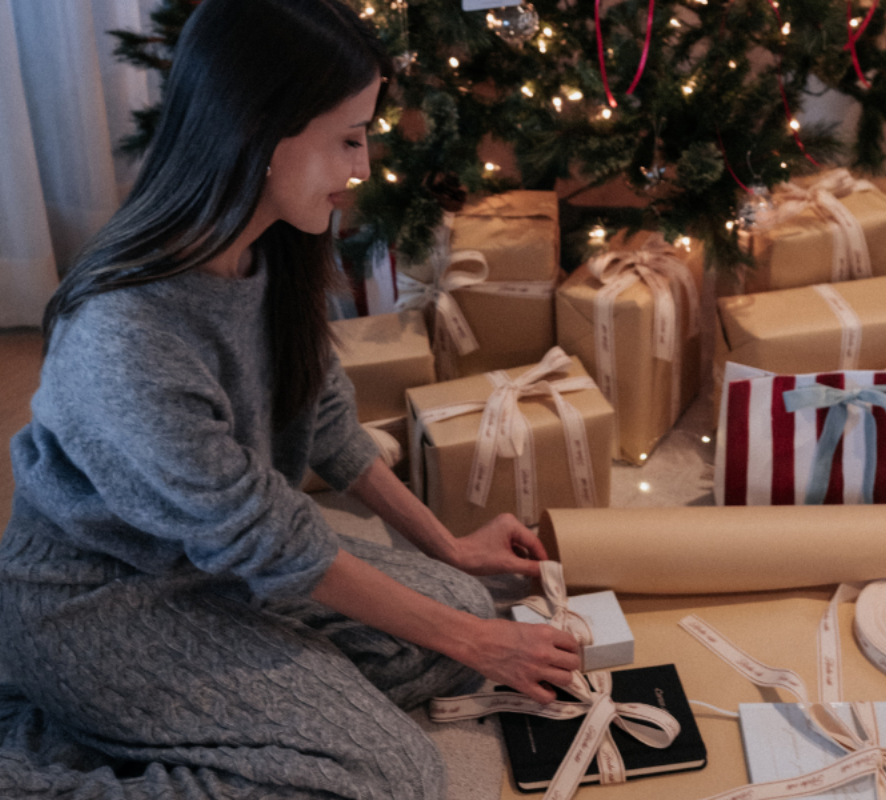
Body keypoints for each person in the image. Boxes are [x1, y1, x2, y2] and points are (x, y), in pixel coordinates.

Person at [0, 0, 580, 797]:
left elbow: (328, 419)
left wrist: (446, 547)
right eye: (349, 137)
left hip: (212, 569)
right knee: (391, 775)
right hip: (98, 603)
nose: (365, 167)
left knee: (455, 613)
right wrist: (483, 646)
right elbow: (272, 547)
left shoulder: (270, 244)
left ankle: (250, 715)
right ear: (259, 132)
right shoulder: (125, 337)